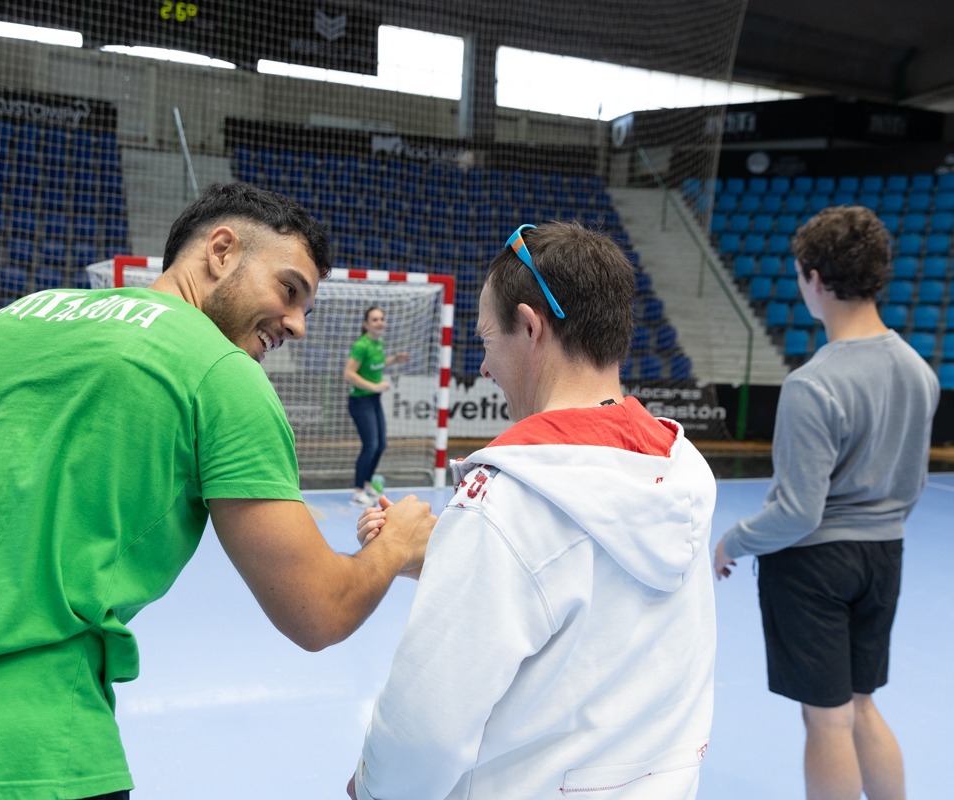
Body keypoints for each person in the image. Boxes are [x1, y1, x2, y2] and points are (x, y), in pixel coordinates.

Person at [0, 182, 436, 800]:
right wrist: (397, 545)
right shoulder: (221, 371)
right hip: (17, 758)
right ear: (222, 250)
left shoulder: (1, 325)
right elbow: (318, 610)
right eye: (289, 290)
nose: (296, 324)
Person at [348, 221, 718, 799]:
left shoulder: (509, 501)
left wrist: (373, 786)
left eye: (488, 341)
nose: (485, 369)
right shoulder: (682, 464)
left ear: (529, 326)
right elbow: (591, 595)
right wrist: (455, 557)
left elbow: (426, 727)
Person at [714, 205, 939, 800]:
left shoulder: (813, 383)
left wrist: (731, 541)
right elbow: (911, 486)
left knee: (826, 718)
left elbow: (797, 513)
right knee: (862, 705)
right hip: (884, 557)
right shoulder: (920, 374)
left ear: (813, 278)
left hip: (814, 567)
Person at [344, 306, 409, 507]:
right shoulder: (361, 345)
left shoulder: (378, 343)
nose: (380, 322)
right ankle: (358, 491)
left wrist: (394, 359)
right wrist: (375, 386)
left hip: (373, 400)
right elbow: (348, 374)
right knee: (370, 445)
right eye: (374, 319)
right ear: (366, 324)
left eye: (382, 318)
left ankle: (368, 483)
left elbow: (375, 365)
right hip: (360, 402)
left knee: (381, 445)